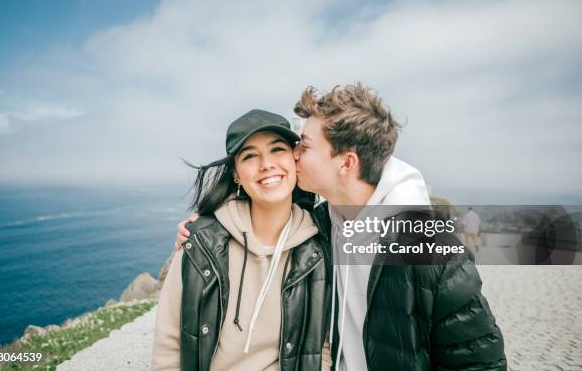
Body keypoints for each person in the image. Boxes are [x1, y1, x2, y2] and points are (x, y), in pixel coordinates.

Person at [177, 84, 507, 371]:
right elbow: (265, 204)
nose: (294, 154)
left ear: (347, 163)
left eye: (304, 146)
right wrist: (210, 227)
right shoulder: (319, 226)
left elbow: (477, 361)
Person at [153, 109, 332, 371]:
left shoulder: (319, 246)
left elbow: (322, 348)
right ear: (236, 174)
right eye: (250, 156)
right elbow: (168, 348)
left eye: (277, 150)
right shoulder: (201, 244)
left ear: (295, 160)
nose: (266, 164)